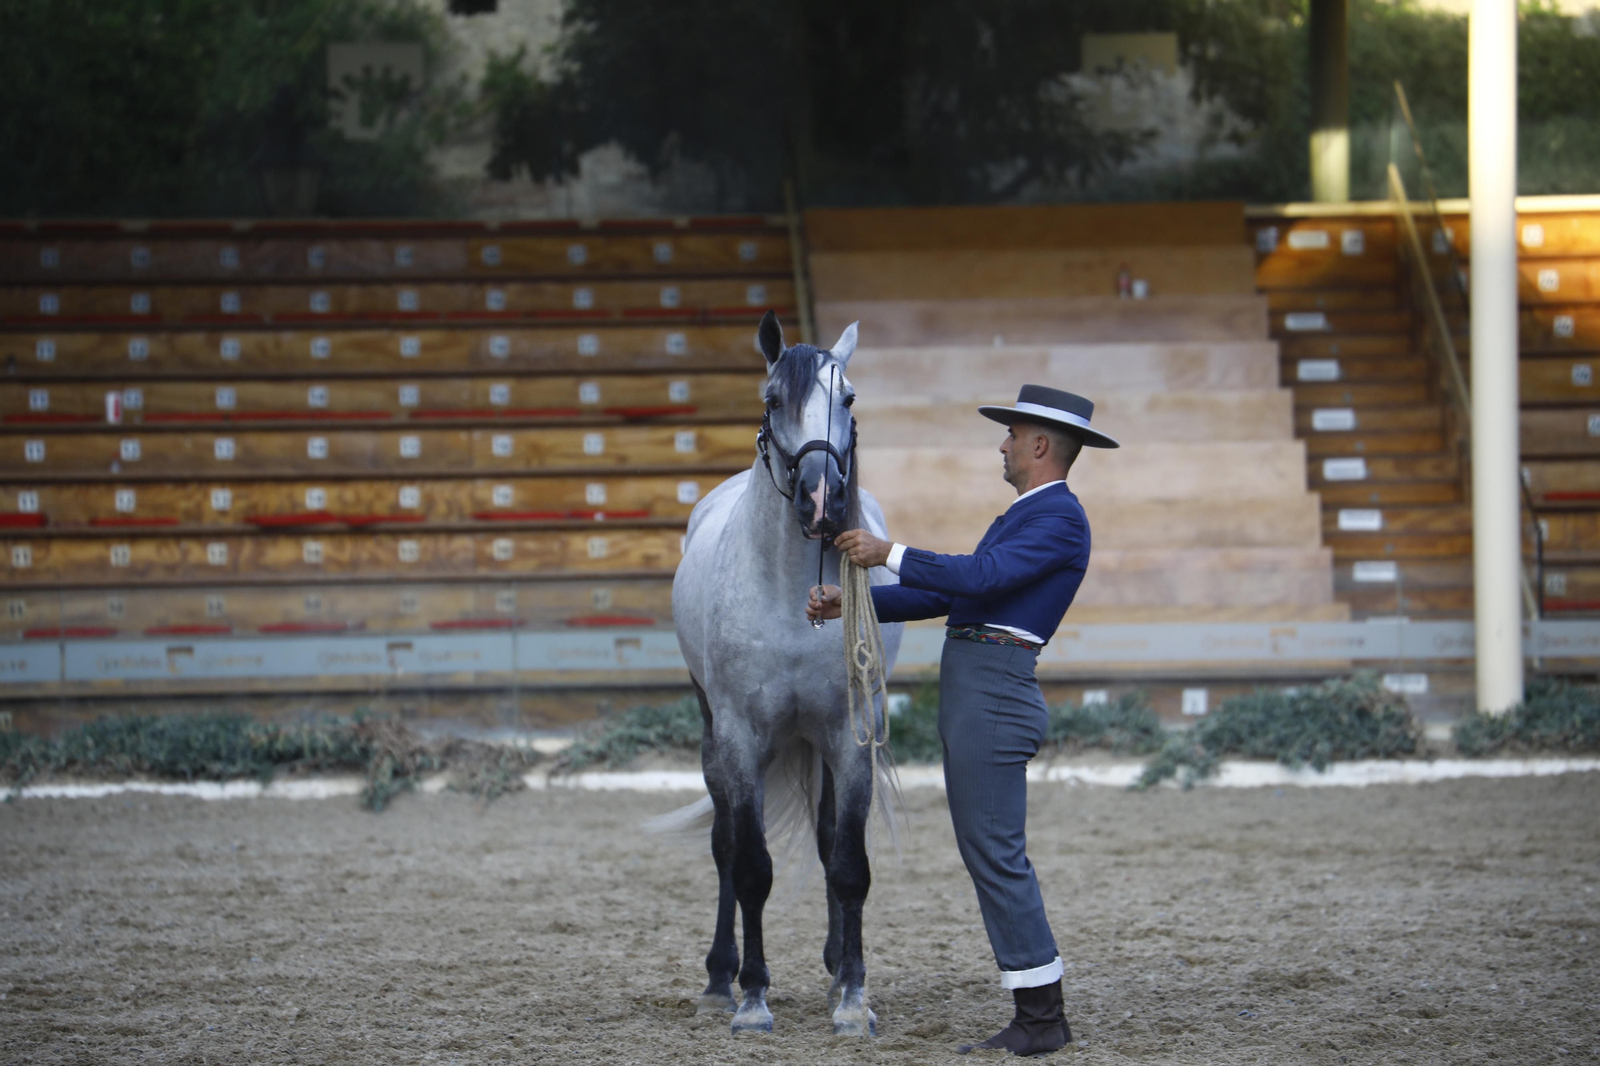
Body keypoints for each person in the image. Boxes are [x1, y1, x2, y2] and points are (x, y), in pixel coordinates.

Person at [806, 384, 1117, 1056]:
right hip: (981, 690)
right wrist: (852, 603)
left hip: (994, 694)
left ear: (1040, 445)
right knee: (989, 853)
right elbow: (953, 593)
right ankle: (1038, 1010)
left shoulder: (1059, 518)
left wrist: (887, 552)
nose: (1002, 446)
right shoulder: (1029, 516)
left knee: (995, 854)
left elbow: (978, 577)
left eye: (1012, 436)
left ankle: (1042, 1017)